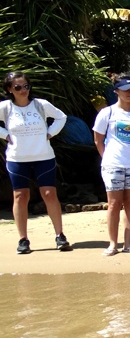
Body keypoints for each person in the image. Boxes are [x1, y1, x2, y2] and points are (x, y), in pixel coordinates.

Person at [0, 71, 71, 254]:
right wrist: (5, 135)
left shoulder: (41, 105)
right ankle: (23, 239)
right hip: (18, 158)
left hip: (43, 156)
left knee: (49, 194)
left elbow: (61, 117)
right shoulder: (6, 107)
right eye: (18, 87)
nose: (23, 90)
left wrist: (50, 132)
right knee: (20, 196)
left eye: (26, 86)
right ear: (9, 89)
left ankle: (60, 236)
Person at [93, 75, 130, 256]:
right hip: (112, 164)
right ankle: (112, 244)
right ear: (117, 91)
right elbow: (98, 139)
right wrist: (106, 158)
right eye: (126, 90)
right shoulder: (107, 113)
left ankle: (128, 243)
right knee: (114, 204)